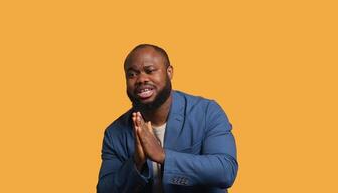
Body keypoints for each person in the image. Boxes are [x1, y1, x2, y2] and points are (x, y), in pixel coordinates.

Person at [96, 44, 238, 193]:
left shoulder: (207, 112)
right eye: (132, 74)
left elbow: (225, 171)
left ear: (169, 72)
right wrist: (136, 163)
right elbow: (104, 190)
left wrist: (163, 156)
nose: (141, 79)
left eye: (150, 71)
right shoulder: (114, 133)